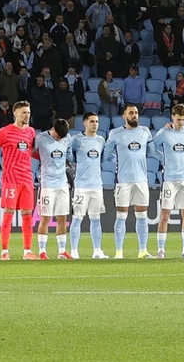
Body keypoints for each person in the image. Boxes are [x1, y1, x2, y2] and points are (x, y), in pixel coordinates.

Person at [107, 104, 155, 259]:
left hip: (141, 180)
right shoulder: (115, 133)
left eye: (136, 113)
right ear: (124, 116)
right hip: (123, 181)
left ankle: (143, 251)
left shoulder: (145, 132)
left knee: (142, 216)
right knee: (121, 216)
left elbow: (152, 152)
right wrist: (118, 161)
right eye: (131, 113)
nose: (134, 115)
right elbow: (106, 154)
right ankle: (118, 252)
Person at [0, 101, 39, 260]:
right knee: (8, 214)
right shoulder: (5, 132)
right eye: (24, 112)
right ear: (15, 113)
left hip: (27, 179)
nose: (27, 115)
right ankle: (4, 251)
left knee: (27, 214)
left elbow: (33, 152)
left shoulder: (31, 132)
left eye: (28, 112)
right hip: (11, 179)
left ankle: (27, 251)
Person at [154, 103, 184, 258]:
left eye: (183, 119)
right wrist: (163, 158)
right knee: (165, 214)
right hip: (170, 180)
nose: (181, 122)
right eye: (178, 119)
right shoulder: (164, 132)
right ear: (172, 117)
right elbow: (151, 146)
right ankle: (161, 250)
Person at [67, 113, 110, 259]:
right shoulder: (77, 140)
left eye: (96, 121)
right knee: (77, 218)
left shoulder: (101, 140)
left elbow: (102, 158)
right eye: (92, 121)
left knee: (96, 219)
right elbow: (70, 157)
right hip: (81, 186)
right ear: (85, 123)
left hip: (96, 185)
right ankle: (74, 251)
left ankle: (97, 251)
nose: (95, 124)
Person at [35, 119, 72, 260]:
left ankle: (62, 251)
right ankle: (42, 252)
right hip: (47, 184)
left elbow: (69, 155)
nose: (59, 138)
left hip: (62, 184)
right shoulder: (41, 138)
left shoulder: (67, 138)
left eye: (61, 137)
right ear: (53, 129)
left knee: (62, 217)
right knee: (45, 218)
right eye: (57, 136)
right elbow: (30, 152)